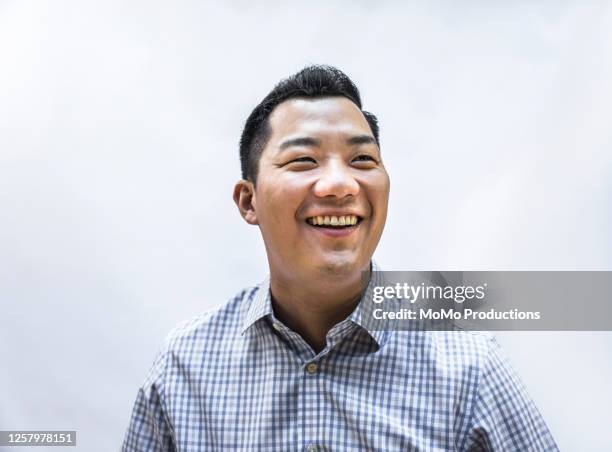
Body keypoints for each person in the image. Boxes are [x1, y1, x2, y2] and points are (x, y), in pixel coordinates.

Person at [122, 65, 558, 451]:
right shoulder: (185, 367)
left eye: (362, 159)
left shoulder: (469, 367)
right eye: (304, 160)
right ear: (248, 201)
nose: (339, 183)